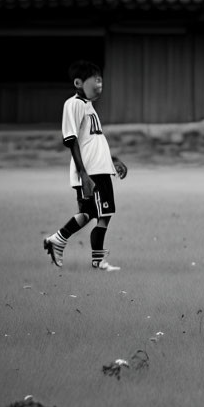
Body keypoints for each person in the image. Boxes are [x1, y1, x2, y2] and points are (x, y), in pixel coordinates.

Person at [43, 60, 127, 272]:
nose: (99, 84)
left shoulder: (88, 106)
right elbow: (70, 140)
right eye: (95, 80)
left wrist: (113, 160)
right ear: (79, 82)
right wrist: (84, 174)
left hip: (99, 168)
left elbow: (93, 140)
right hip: (91, 171)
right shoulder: (74, 104)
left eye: (101, 80)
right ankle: (98, 261)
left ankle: (57, 239)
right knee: (104, 215)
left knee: (89, 213)